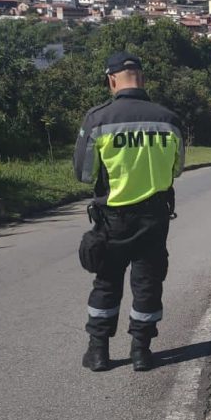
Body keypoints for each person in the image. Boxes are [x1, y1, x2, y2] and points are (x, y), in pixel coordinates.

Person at [73, 52, 185, 372]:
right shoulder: (169, 119)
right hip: (155, 216)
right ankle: (141, 351)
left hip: (113, 218)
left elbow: (83, 173)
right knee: (147, 283)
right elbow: (176, 169)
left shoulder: (98, 119)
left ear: (111, 81)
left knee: (107, 282)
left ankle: (98, 352)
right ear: (142, 78)